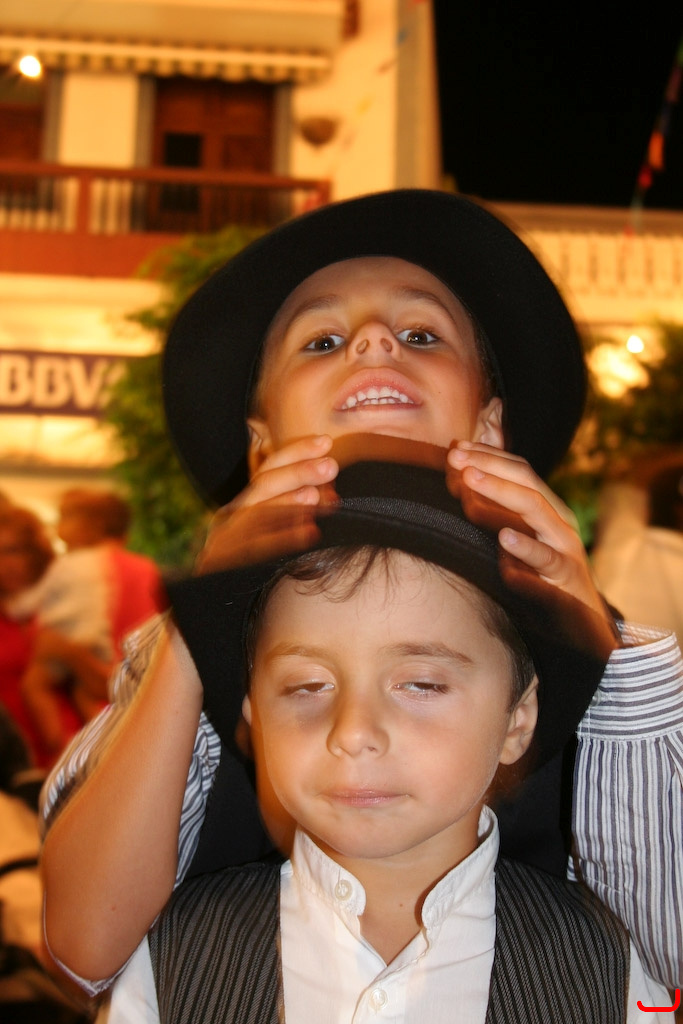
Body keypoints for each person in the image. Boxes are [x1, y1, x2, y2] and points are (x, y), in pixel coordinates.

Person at [40, 190, 683, 991]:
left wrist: (594, 644)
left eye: (419, 335)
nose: (374, 341)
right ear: (261, 444)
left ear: (488, 427)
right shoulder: (174, 659)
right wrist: (199, 627)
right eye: (322, 341)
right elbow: (83, 950)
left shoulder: (634, 680)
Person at [109, 457, 671, 1022]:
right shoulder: (171, 956)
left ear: (517, 720)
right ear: (255, 715)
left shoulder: (609, 966)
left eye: (421, 684)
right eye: (307, 686)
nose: (353, 733)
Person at [13, 489, 164, 758]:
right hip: (122, 696)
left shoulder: (85, 566)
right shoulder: (142, 568)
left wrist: (70, 652)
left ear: (93, 527)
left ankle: (67, 748)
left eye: (67, 518)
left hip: (111, 686)